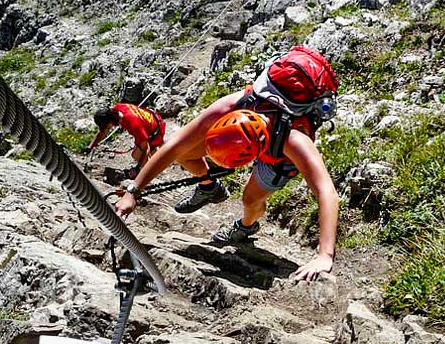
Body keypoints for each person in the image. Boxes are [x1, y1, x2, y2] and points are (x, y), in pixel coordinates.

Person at [115, 46, 340, 281]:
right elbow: (173, 146)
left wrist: (325, 255)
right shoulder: (230, 106)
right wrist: (134, 190)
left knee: (251, 200)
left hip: (278, 158)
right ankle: (208, 187)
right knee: (185, 153)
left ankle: (246, 226)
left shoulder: (294, 141)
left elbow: (326, 192)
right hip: (259, 136)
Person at [87, 103, 166, 179]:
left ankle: (150, 172)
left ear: (110, 121)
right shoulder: (117, 109)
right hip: (151, 119)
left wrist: (137, 168)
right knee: (139, 151)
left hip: (155, 130)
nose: (106, 128)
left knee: (136, 155)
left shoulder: (133, 124)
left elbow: (146, 149)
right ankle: (154, 161)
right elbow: (103, 132)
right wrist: (90, 146)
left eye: (106, 126)